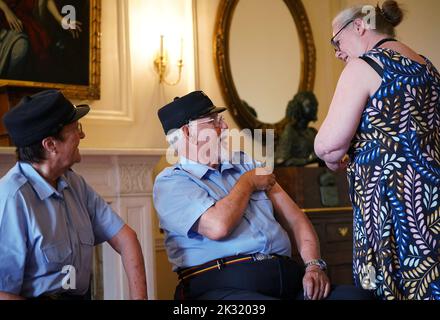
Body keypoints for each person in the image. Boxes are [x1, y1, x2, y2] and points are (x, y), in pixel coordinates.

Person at [153, 90, 373, 300]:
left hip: (288, 279)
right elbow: (218, 226)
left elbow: (296, 219)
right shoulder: (172, 182)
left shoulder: (246, 162)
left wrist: (314, 265)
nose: (225, 126)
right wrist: (248, 182)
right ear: (187, 132)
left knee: (359, 297)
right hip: (224, 285)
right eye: (213, 122)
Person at [314, 0, 440, 300]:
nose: (338, 52)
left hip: (393, 205)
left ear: (359, 26)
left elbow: (328, 145)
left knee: (388, 288)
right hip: (431, 201)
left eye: (337, 41)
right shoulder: (427, 65)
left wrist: (333, 160)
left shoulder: (366, 65)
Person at [0, 90, 147, 300]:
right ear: (50, 144)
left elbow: (126, 238)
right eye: (75, 129)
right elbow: (3, 293)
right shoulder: (12, 198)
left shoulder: (74, 183)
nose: (82, 135)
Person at [275, 91, 321, 167]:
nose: (314, 108)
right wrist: (308, 159)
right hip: (295, 176)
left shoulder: (313, 132)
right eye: (310, 105)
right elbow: (280, 161)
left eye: (315, 105)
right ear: (298, 107)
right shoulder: (290, 131)